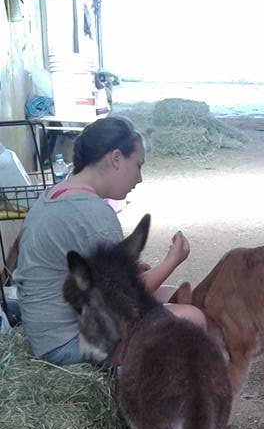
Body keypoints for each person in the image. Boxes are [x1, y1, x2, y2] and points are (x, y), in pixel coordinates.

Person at [13, 115, 205, 365]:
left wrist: (131, 269)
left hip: (46, 334)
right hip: (68, 344)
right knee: (193, 318)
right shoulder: (93, 214)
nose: (139, 179)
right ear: (116, 159)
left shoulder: (56, 193)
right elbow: (123, 302)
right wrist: (172, 261)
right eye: (138, 165)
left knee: (168, 293)